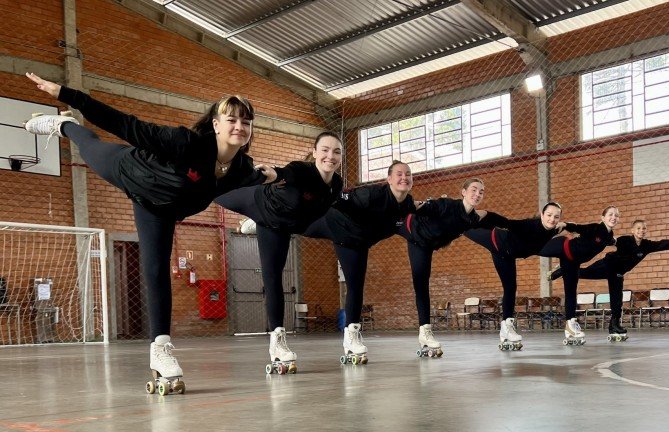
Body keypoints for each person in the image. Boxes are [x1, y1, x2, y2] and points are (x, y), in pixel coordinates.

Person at [24, 72, 276, 394]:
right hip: (132, 172)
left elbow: (255, 180)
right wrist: (66, 93)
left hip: (159, 211)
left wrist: (271, 177)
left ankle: (159, 348)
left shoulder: (241, 168)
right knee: (90, 145)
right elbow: (125, 125)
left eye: (246, 121)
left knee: (156, 269)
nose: (239, 126)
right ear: (215, 124)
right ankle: (64, 125)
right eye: (232, 119)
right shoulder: (185, 143)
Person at [215, 132, 344, 374]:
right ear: (315, 152)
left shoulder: (336, 185)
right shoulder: (302, 170)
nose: (330, 156)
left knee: (273, 278)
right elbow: (285, 173)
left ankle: (277, 341)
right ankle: (247, 219)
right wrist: (274, 174)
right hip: (258, 201)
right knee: (213, 188)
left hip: (277, 227)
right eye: (325, 150)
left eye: (336, 151)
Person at [302, 160, 415, 364]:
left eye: (408, 174)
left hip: (356, 243)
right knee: (295, 222)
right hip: (335, 223)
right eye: (399, 174)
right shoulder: (372, 194)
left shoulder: (407, 204)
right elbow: (341, 198)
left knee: (356, 287)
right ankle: (265, 220)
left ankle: (351, 336)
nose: (404, 177)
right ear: (389, 179)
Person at [398, 178, 506, 356]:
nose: (477, 194)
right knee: (377, 225)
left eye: (481, 191)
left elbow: (496, 219)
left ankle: (425, 332)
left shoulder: (472, 218)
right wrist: (425, 203)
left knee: (421, 284)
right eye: (473, 190)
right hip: (409, 226)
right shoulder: (448, 204)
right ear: (463, 192)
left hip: (423, 245)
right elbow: (425, 207)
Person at [549, 219, 669, 337]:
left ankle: (614, 325)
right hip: (607, 265)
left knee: (617, 298)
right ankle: (563, 269)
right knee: (583, 273)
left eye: (644, 228)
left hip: (618, 273)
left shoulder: (647, 245)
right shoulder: (625, 240)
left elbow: (663, 244)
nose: (641, 230)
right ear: (633, 230)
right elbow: (609, 240)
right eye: (638, 228)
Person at [464, 202, 566, 349]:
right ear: (542, 215)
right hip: (496, 240)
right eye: (549, 215)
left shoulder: (553, 230)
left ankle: (506, 328)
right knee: (463, 227)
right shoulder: (530, 225)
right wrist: (484, 213)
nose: (552, 219)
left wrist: (573, 230)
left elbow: (570, 226)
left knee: (510, 288)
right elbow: (506, 223)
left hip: (505, 256)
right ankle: (449, 210)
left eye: (556, 217)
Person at [538, 206, 619, 344]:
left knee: (571, 292)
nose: (614, 217)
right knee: (533, 247)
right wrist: (565, 225)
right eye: (610, 214)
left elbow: (612, 241)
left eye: (617, 215)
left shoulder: (609, 236)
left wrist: (619, 242)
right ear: (603, 217)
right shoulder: (595, 228)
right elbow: (579, 227)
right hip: (563, 247)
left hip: (572, 262)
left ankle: (570, 324)